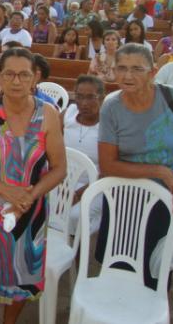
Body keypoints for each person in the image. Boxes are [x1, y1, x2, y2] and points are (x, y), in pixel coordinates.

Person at [0, 47, 66, 324]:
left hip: (30, 211)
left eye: (24, 75)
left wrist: (29, 195)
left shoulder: (48, 114)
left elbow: (59, 169)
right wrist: (7, 191)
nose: (16, 81)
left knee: (22, 274)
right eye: (9, 74)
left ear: (35, 78)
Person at [97, 43, 173, 289]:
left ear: (153, 72)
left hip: (165, 197)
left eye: (136, 69)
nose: (127, 76)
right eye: (121, 68)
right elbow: (108, 165)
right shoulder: (112, 106)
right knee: (118, 269)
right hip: (124, 196)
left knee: (156, 270)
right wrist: (159, 171)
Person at [62, 75, 104, 234]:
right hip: (63, 181)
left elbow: (108, 169)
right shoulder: (68, 114)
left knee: (74, 216)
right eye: (79, 96)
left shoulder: (107, 124)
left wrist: (78, 194)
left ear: (101, 98)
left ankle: (80, 254)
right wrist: (62, 188)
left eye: (90, 97)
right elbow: (51, 149)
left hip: (94, 185)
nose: (84, 103)